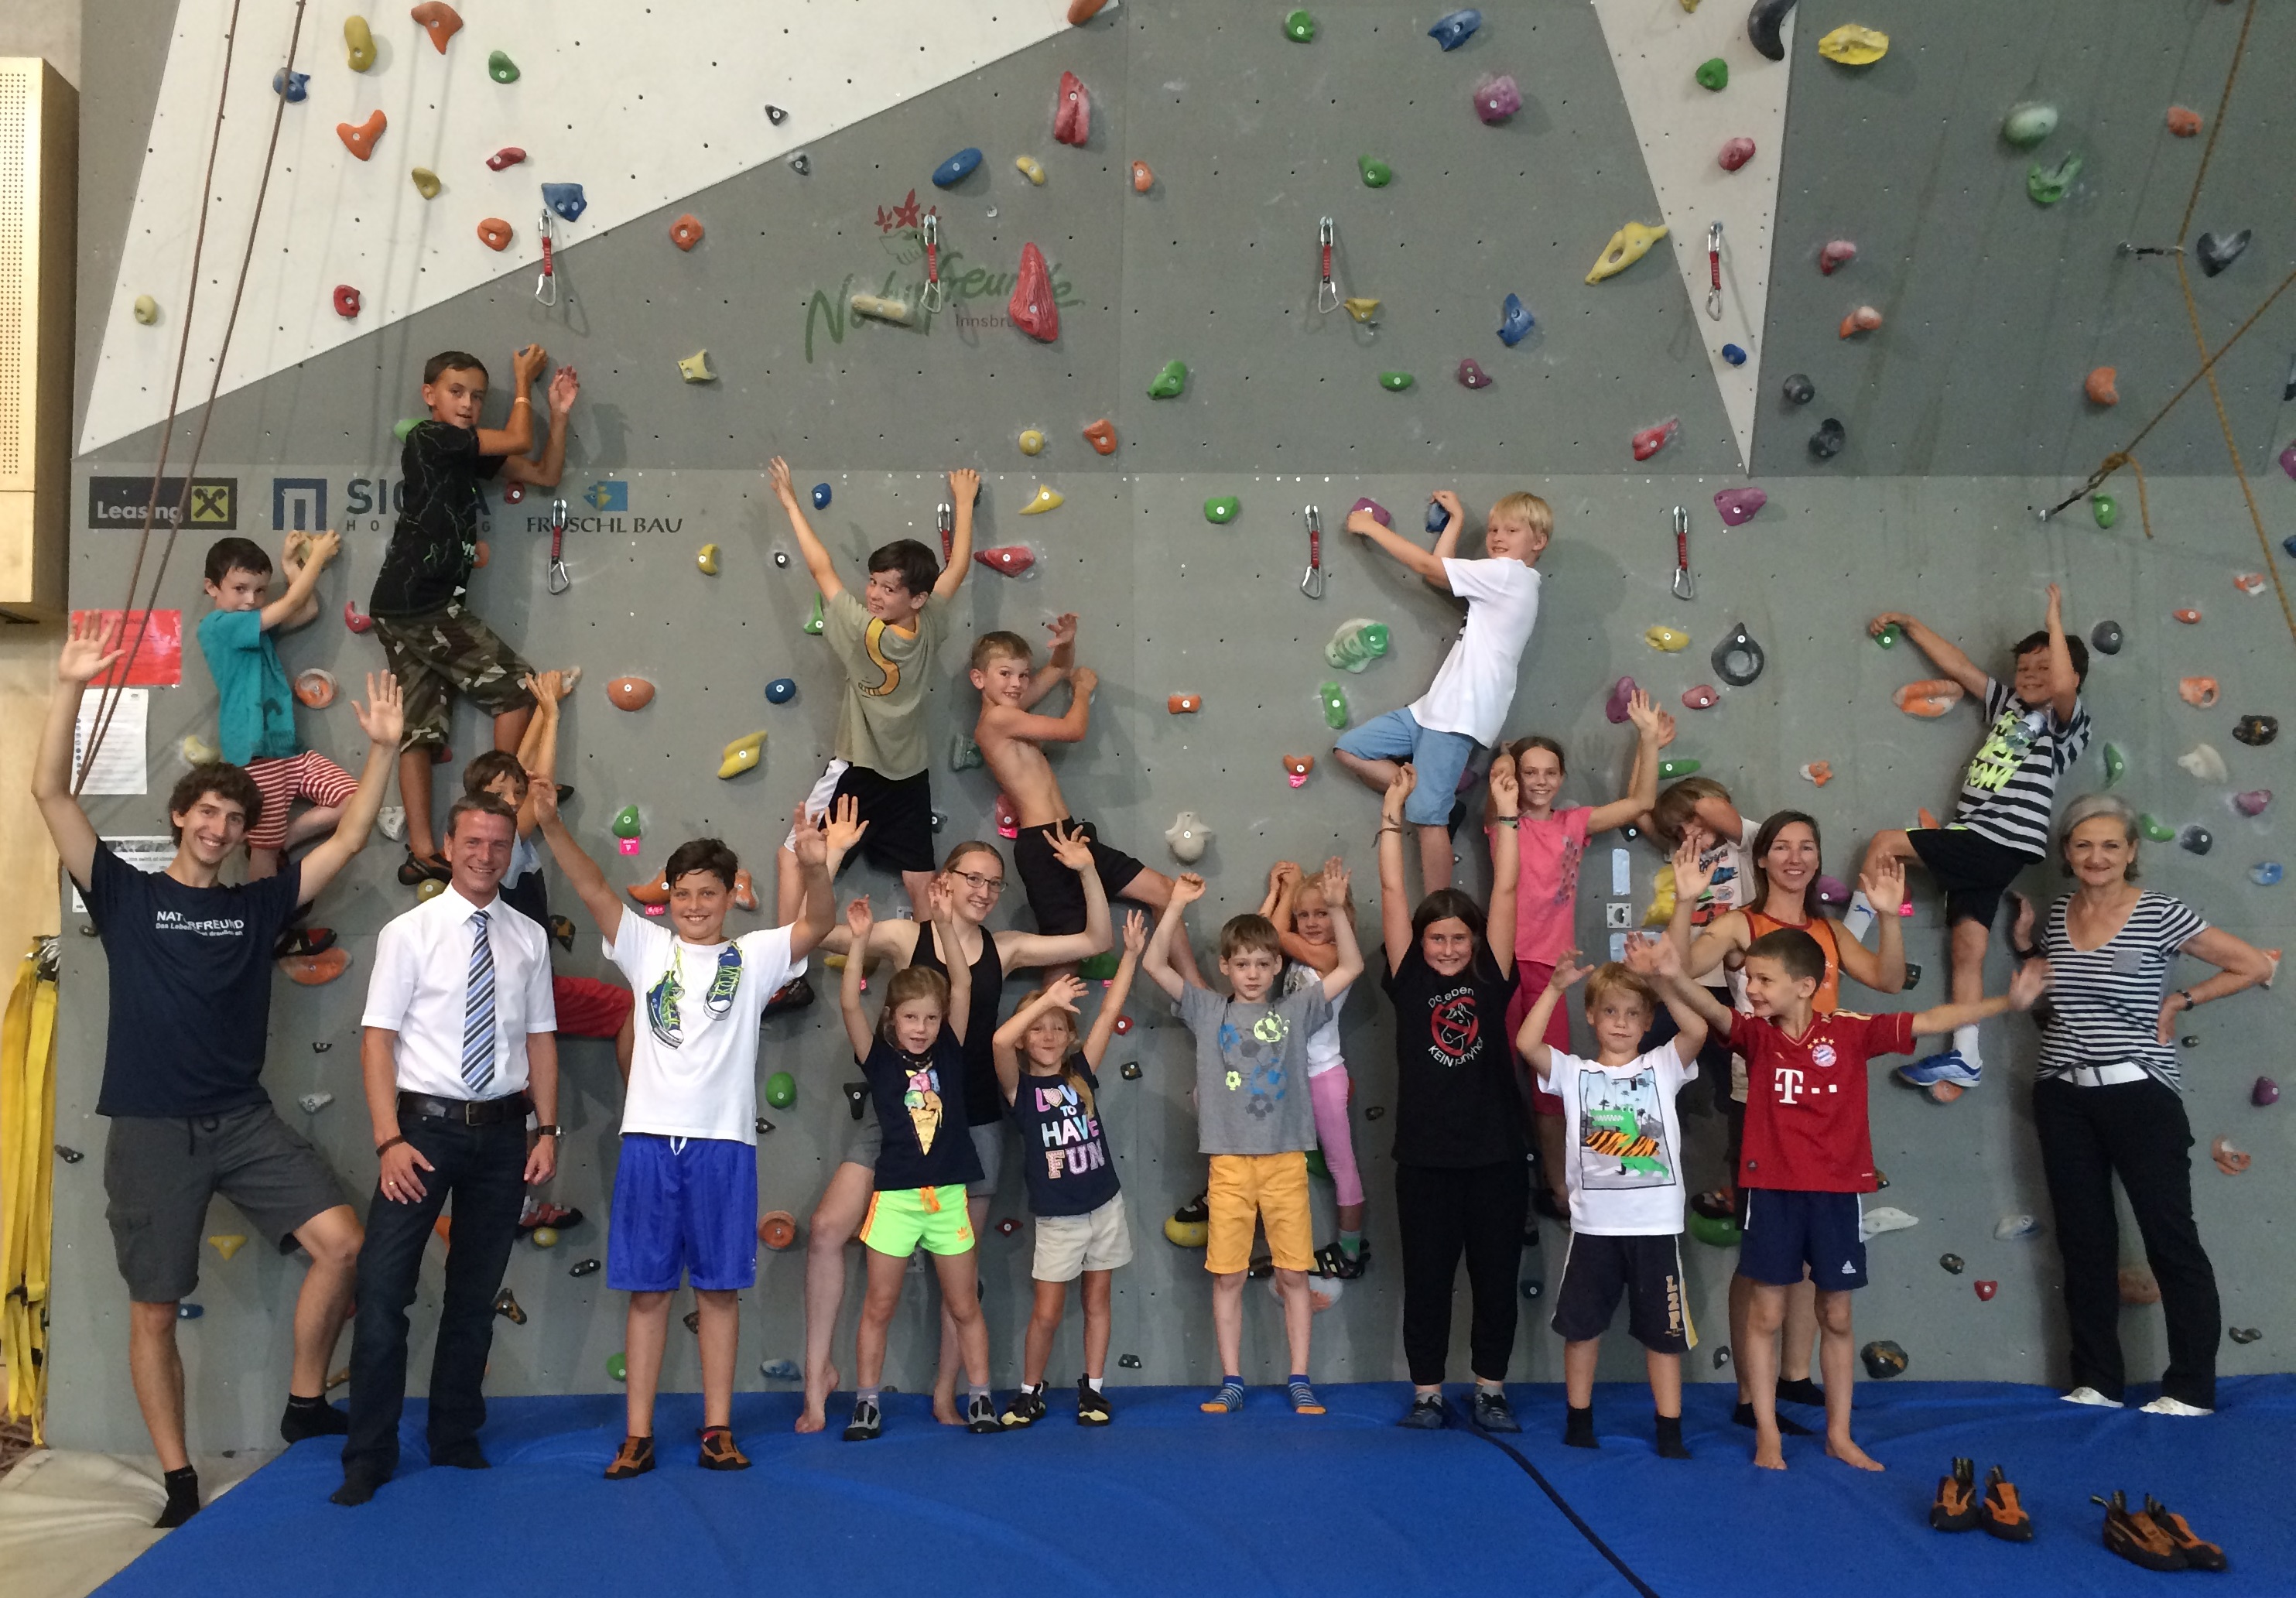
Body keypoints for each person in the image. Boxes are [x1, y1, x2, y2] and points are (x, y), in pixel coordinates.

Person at [32, 618, 402, 1526]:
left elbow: (352, 837)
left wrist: (384, 749)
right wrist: (70, 685)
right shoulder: (125, 892)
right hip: (153, 1128)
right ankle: (178, 1479)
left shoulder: (259, 902)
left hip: (241, 1119)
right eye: (207, 812)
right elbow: (48, 792)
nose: (219, 825)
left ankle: (305, 1403)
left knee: (343, 1242)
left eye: (236, 819)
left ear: (244, 837)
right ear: (180, 819)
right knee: (154, 1309)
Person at [1648, 866, 2050, 1471]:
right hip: (1771, 1189)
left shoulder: (1851, 1031)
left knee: (1834, 1311)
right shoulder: (1755, 1038)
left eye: (1761, 978)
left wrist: (2005, 1002)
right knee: (1766, 1310)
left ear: (1805, 985)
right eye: (1747, 976)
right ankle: (1766, 1432)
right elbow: (1704, 1002)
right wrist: (1670, 968)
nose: (1749, 987)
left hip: (1835, 1191)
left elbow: (1930, 1020)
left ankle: (1838, 1432)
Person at [529, 783, 850, 1474]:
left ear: (733, 893)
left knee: (718, 1291)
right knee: (648, 1291)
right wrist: (553, 826)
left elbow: (817, 923)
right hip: (649, 1141)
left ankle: (716, 1429)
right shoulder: (645, 946)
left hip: (723, 1146)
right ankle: (638, 1434)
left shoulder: (756, 953)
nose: (696, 905)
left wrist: (817, 866)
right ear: (667, 896)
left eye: (709, 893)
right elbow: (589, 887)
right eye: (683, 893)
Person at [795, 830, 1111, 1433]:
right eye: (974, 877)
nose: (985, 891)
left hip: (973, 1123)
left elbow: (1096, 940)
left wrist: (1087, 869)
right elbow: (809, 928)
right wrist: (827, 859)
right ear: (944, 879)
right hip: (897, 1118)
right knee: (829, 1228)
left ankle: (948, 1391)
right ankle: (820, 1381)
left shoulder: (1006, 946)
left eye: (994, 882)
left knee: (956, 1269)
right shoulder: (902, 934)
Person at [334, 792, 561, 1505]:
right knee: (381, 1294)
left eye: (499, 844)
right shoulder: (408, 932)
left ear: (509, 850)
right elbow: (377, 1038)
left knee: (472, 1298)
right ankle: (368, 1454)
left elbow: (541, 1038)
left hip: (503, 1137)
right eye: (473, 842)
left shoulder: (529, 936)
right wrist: (387, 1139)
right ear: (451, 845)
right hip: (420, 1134)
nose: (486, 855)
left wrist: (546, 1129)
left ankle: (454, 1436)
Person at [2023, 794, 2273, 1417]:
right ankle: (2098, 1381)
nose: (2096, 856)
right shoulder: (2056, 916)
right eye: (2082, 845)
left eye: (2110, 845)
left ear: (2131, 851)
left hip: (2139, 1093)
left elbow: (2248, 964)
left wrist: (2180, 1001)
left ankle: (2190, 1388)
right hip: (2062, 1093)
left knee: (2170, 1240)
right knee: (2083, 1243)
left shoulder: (2160, 912)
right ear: (2066, 854)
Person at [1665, 812, 1907, 1430]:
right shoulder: (1740, 923)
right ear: (1761, 857)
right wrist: (1686, 900)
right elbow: (1682, 964)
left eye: (1806, 846)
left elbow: (1887, 977)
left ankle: (1792, 1376)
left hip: (1823, 1112)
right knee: (1762, 1257)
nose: (1794, 857)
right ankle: (1750, 1394)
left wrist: (1885, 914)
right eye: (1781, 846)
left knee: (1807, 1258)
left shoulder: (1825, 932)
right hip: (1758, 1104)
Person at [1146, 861, 1364, 1417]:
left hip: (1284, 1158)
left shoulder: (1295, 1010)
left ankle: (1298, 1377)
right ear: (1224, 966)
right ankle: (1232, 1378)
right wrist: (1174, 904)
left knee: (1293, 1271)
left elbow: (1353, 965)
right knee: (1227, 1274)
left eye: (1262, 963)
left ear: (1276, 966)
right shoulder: (1205, 1007)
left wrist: (1337, 909)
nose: (1250, 972)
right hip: (1229, 1164)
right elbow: (1153, 962)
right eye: (1241, 963)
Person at [1862, 582, 2089, 1100]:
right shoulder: (2006, 705)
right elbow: (1961, 668)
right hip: (1979, 842)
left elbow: (2061, 686)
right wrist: (1909, 622)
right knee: (1968, 947)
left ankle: (1852, 941)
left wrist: (2054, 619)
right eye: (2023, 668)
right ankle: (1965, 1056)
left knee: (1885, 842)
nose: (2030, 677)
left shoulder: (2063, 725)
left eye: (2043, 668)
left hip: (1996, 840)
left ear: (2067, 678)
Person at [765, 457, 976, 994]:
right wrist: (966, 504)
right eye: (874, 583)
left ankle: (786, 972)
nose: (875, 594)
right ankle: (937, 983)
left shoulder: (866, 634)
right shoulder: (930, 623)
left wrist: (790, 501)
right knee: (919, 881)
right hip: (909, 774)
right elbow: (955, 571)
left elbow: (819, 569)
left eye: (887, 588)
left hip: (858, 770)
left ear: (914, 598)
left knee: (793, 854)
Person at [370, 345, 577, 884]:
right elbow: (516, 438)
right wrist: (524, 382)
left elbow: (545, 471)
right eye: (456, 392)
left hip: (404, 604)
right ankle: (496, 809)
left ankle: (421, 847)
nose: (468, 404)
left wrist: (557, 415)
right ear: (429, 396)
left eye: (478, 396)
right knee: (515, 689)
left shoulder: (464, 452)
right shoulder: (430, 437)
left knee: (418, 728)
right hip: (420, 602)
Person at [1378, 765, 1525, 1432]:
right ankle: (1428, 1391)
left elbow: (1509, 889)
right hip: (1426, 1158)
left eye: (1455, 939)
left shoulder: (1490, 976)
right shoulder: (1408, 977)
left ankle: (1489, 1388)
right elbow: (1389, 886)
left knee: (1495, 1281)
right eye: (1435, 938)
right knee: (1429, 1280)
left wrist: (1507, 815)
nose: (1444, 948)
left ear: (1473, 944)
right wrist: (1392, 814)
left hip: (1496, 1153)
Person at [1518, 949, 1706, 1459]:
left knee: (1663, 1336)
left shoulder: (1661, 1065)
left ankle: (1669, 1429)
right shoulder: (1574, 1072)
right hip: (1594, 1228)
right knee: (1581, 1329)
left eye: (1631, 1013)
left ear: (1647, 1022)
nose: (1619, 1022)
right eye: (1608, 1011)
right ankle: (1579, 1420)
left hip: (1654, 1228)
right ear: (1591, 1016)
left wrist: (1664, 982)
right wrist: (1554, 987)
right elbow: (1526, 1042)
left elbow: (1697, 1031)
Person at [835, 884, 998, 1441]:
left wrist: (945, 923)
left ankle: (979, 1396)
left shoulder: (950, 1050)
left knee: (963, 1302)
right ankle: (866, 1401)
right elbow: (850, 1003)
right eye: (911, 1017)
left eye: (930, 1017)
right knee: (879, 1302)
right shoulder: (878, 1058)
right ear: (894, 1018)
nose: (922, 1027)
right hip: (897, 1199)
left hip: (947, 1195)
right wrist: (858, 942)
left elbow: (964, 983)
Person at [1499, 689, 1670, 1215]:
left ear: (1562, 777)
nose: (1540, 781)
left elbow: (1640, 804)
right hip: (1504, 967)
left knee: (1548, 1087)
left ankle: (1555, 1188)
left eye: (1550, 771)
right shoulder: (1504, 820)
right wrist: (1505, 755)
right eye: (1529, 771)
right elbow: (1500, 782)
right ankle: (1504, 1180)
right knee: (1498, 1083)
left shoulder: (1572, 825)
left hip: (1553, 973)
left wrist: (1646, 737)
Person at [1333, 488, 1551, 892]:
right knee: (1350, 748)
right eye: (1493, 530)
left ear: (1538, 542)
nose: (1498, 537)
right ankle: (1438, 794)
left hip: (1461, 712)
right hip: (1434, 708)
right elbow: (1438, 572)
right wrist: (1456, 524)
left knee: (1427, 818)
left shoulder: (1508, 576)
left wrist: (1370, 527)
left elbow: (1425, 565)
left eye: (1512, 530)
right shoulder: (1501, 579)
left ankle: (1440, 912)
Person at [990, 912, 1146, 1428]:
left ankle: (1093, 1388)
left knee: (1098, 1298)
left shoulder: (1080, 1073)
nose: (1049, 1034)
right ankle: (1030, 1390)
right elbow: (996, 1043)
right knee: (1047, 1311)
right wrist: (1049, 999)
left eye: (1058, 1027)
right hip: (1058, 1218)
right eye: (1038, 1028)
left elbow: (1109, 1012)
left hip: (1104, 1205)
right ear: (1024, 1038)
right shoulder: (1020, 1088)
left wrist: (1130, 955)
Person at [973, 618, 1197, 973]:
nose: (1017, 684)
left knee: (1164, 891)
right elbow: (1073, 730)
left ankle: (1194, 993)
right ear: (979, 679)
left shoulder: (1010, 707)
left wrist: (1066, 642)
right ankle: (1048, 1026)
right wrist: (1083, 691)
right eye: (1005, 674)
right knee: (1067, 954)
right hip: (1044, 845)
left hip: (1071, 836)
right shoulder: (998, 719)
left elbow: (1060, 667)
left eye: (1023, 675)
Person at [193, 532, 360, 897]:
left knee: (354, 801)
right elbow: (293, 601)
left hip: (289, 748)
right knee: (264, 855)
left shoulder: (255, 627)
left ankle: (279, 839)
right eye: (240, 589)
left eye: (260, 591)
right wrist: (315, 557)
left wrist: (290, 566)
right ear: (212, 587)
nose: (250, 600)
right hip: (254, 753)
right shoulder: (220, 626)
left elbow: (308, 608)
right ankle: (263, 926)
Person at [1259, 858, 1369, 1276]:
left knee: (1343, 1164)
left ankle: (1350, 1251)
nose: (1309, 922)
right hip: (1288, 1075)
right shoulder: (1302, 958)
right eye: (1303, 915)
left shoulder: (1333, 955)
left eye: (1321, 913)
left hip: (1322, 1074)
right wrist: (1282, 892)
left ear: (1342, 914)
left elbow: (1273, 935)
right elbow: (1262, 939)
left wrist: (1286, 893)